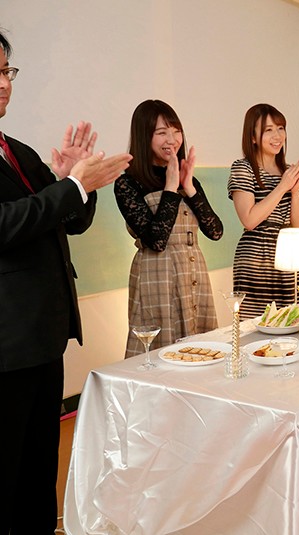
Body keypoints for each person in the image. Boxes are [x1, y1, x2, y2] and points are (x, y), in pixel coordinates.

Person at [0, 31, 132, 534]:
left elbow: (68, 220)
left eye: (7, 71)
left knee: (39, 470)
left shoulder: (19, 151)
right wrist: (72, 185)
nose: (4, 84)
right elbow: (6, 224)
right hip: (7, 345)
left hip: (44, 336)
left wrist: (72, 182)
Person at [115, 100, 223, 358]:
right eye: (162, 132)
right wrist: (171, 188)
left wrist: (189, 187)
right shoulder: (128, 183)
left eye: (176, 131)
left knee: (200, 350)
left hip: (193, 272)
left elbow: (215, 232)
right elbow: (157, 240)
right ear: (144, 136)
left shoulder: (188, 179)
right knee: (159, 354)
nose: (172, 139)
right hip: (156, 276)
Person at [228, 103, 299, 318]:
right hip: (256, 258)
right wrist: (283, 186)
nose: (277, 136)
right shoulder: (243, 168)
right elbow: (249, 220)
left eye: (281, 128)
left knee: (293, 320)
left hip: (290, 253)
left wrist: (294, 190)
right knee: (257, 325)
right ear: (253, 137)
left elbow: (298, 225)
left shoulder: (289, 171)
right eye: (268, 130)